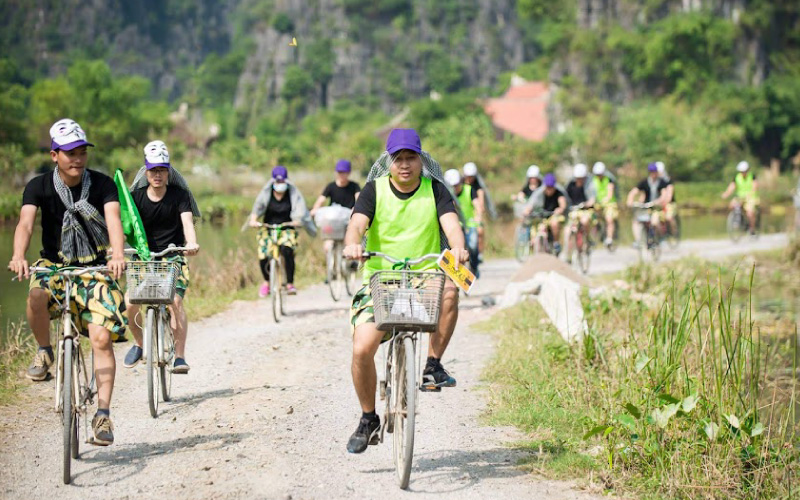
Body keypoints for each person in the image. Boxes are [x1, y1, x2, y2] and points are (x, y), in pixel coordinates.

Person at [342, 129, 469, 454]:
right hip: (380, 278)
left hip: (423, 277)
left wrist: (458, 248)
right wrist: (353, 244)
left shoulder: (435, 189)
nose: (404, 164)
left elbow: (452, 225)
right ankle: (368, 418)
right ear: (389, 162)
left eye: (410, 157)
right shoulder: (374, 190)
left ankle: (433, 365)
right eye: (398, 158)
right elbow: (356, 223)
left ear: (420, 160)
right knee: (362, 349)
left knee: (451, 291)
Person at [7, 118, 126, 446]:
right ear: (54, 155)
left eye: (82, 152)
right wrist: (19, 255)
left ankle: (102, 414)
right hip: (55, 266)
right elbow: (26, 224)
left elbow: (113, 220)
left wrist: (117, 254)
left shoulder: (102, 185)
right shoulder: (38, 186)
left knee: (101, 339)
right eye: (70, 152)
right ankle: (45, 350)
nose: (77, 158)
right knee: (35, 294)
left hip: (95, 269)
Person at [123, 141, 201, 374]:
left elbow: (187, 223)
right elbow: (123, 225)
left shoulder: (180, 195)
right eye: (153, 170)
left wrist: (191, 243)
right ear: (145, 171)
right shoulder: (135, 197)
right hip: (143, 258)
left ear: (168, 171)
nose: (157, 175)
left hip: (172, 256)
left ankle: (179, 356)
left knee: (174, 301)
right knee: (129, 301)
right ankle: (139, 343)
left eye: (162, 170)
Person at [249, 166, 313, 296]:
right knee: (263, 252)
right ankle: (266, 283)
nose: (280, 185)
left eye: (282, 182)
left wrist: (298, 220)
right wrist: (254, 220)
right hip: (268, 227)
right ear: (273, 181)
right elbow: (258, 208)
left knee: (287, 250)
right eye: (277, 182)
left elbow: (300, 209)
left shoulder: (293, 194)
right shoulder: (266, 194)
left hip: (287, 227)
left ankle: (290, 283)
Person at [309, 159, 361, 261]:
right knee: (328, 244)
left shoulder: (354, 186)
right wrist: (314, 210)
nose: (341, 175)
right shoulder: (331, 187)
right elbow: (321, 200)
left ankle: (351, 263)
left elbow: (359, 199)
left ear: (349, 173)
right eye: (339, 172)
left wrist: (356, 210)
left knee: (350, 241)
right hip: (333, 220)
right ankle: (330, 269)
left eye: (344, 172)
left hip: (347, 219)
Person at [444, 168, 482, 276]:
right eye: (451, 185)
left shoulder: (469, 190)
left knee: (473, 246)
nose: (454, 188)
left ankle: (474, 267)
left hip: (469, 224)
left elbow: (477, 205)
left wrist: (478, 217)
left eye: (456, 185)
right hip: (453, 226)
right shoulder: (445, 194)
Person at [626, 162, 671, 247]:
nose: (653, 173)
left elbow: (664, 194)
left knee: (655, 222)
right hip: (646, 207)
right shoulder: (645, 182)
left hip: (656, 208)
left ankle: (660, 237)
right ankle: (638, 240)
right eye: (651, 171)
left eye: (654, 171)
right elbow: (634, 192)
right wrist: (630, 200)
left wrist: (657, 201)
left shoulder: (661, 182)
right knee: (636, 221)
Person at [523, 173, 568, 255]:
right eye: (547, 187)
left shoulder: (559, 192)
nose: (549, 189)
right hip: (542, 217)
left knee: (554, 223)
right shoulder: (539, 192)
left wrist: (560, 209)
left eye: (551, 187)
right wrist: (527, 211)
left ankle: (556, 243)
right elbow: (531, 204)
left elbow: (563, 204)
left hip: (553, 216)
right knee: (537, 229)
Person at [564, 164, 596, 260]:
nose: (580, 180)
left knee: (585, 221)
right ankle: (568, 254)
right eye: (578, 178)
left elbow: (592, 198)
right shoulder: (570, 185)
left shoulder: (589, 184)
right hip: (573, 210)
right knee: (568, 230)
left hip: (585, 210)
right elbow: (564, 197)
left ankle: (588, 239)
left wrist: (588, 204)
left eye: (581, 178)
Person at [722, 161, 759, 234]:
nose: (743, 173)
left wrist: (751, 193)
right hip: (740, 197)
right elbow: (732, 186)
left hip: (750, 197)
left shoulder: (752, 176)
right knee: (732, 205)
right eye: (741, 171)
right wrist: (726, 193)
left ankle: (752, 229)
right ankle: (738, 219)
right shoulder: (737, 177)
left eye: (744, 171)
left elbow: (755, 186)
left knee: (750, 213)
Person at [591, 162, 618, 247]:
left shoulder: (609, 179)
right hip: (597, 204)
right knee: (593, 220)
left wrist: (605, 200)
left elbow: (610, 193)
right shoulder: (593, 180)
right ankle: (592, 239)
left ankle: (609, 239)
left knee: (609, 219)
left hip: (609, 203)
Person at [656, 161, 678, 236]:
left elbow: (669, 194)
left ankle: (674, 231)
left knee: (668, 217)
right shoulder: (654, 181)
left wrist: (665, 201)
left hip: (669, 203)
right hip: (658, 204)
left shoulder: (667, 181)